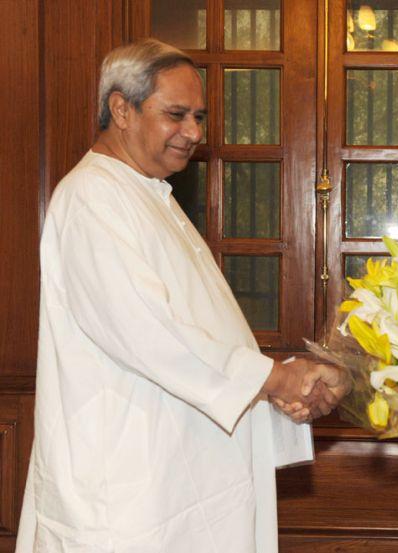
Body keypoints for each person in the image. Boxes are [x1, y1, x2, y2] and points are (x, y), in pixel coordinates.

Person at [16, 39, 347, 553]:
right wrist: (277, 378)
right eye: (176, 114)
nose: (193, 132)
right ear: (120, 109)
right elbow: (150, 331)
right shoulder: (92, 197)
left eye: (199, 116)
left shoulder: (149, 195)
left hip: (180, 475)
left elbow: (202, 331)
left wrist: (276, 385)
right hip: (131, 491)